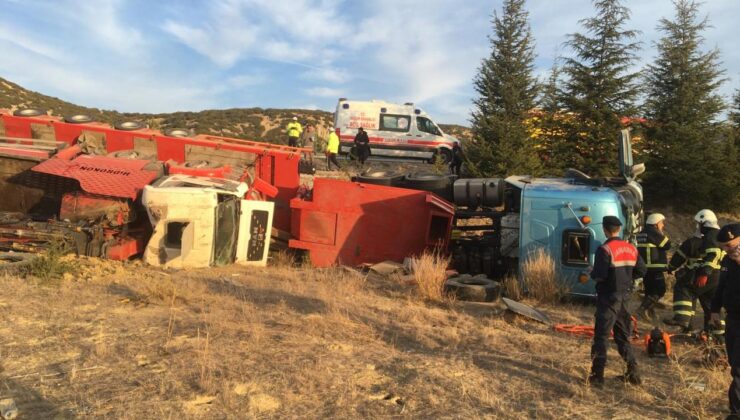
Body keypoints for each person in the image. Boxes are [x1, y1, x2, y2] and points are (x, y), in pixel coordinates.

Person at [588, 215, 647, 388]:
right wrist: (628, 279)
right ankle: (633, 373)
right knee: (623, 337)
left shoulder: (605, 249)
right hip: (625, 298)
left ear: (605, 229)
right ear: (619, 229)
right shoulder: (631, 248)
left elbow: (600, 275)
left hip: (608, 298)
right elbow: (642, 270)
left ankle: (597, 376)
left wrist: (592, 272)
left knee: (601, 337)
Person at [709, 223, 740, 420]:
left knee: (739, 368)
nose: (726, 250)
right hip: (733, 318)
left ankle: (735, 413)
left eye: (730, 245)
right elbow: (721, 286)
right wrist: (714, 310)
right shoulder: (728, 261)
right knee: (734, 364)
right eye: (723, 247)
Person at [664, 228, 704, 329]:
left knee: (683, 289)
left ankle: (681, 319)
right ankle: (717, 332)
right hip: (715, 277)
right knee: (711, 304)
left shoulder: (691, 242)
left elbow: (678, 257)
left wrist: (671, 268)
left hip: (695, 275)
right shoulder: (717, 241)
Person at [635, 213, 671, 321]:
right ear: (656, 223)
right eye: (661, 223)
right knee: (660, 290)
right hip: (655, 268)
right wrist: (660, 232)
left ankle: (650, 313)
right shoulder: (654, 232)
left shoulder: (642, 233)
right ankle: (642, 309)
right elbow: (667, 244)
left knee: (649, 292)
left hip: (645, 268)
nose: (663, 225)